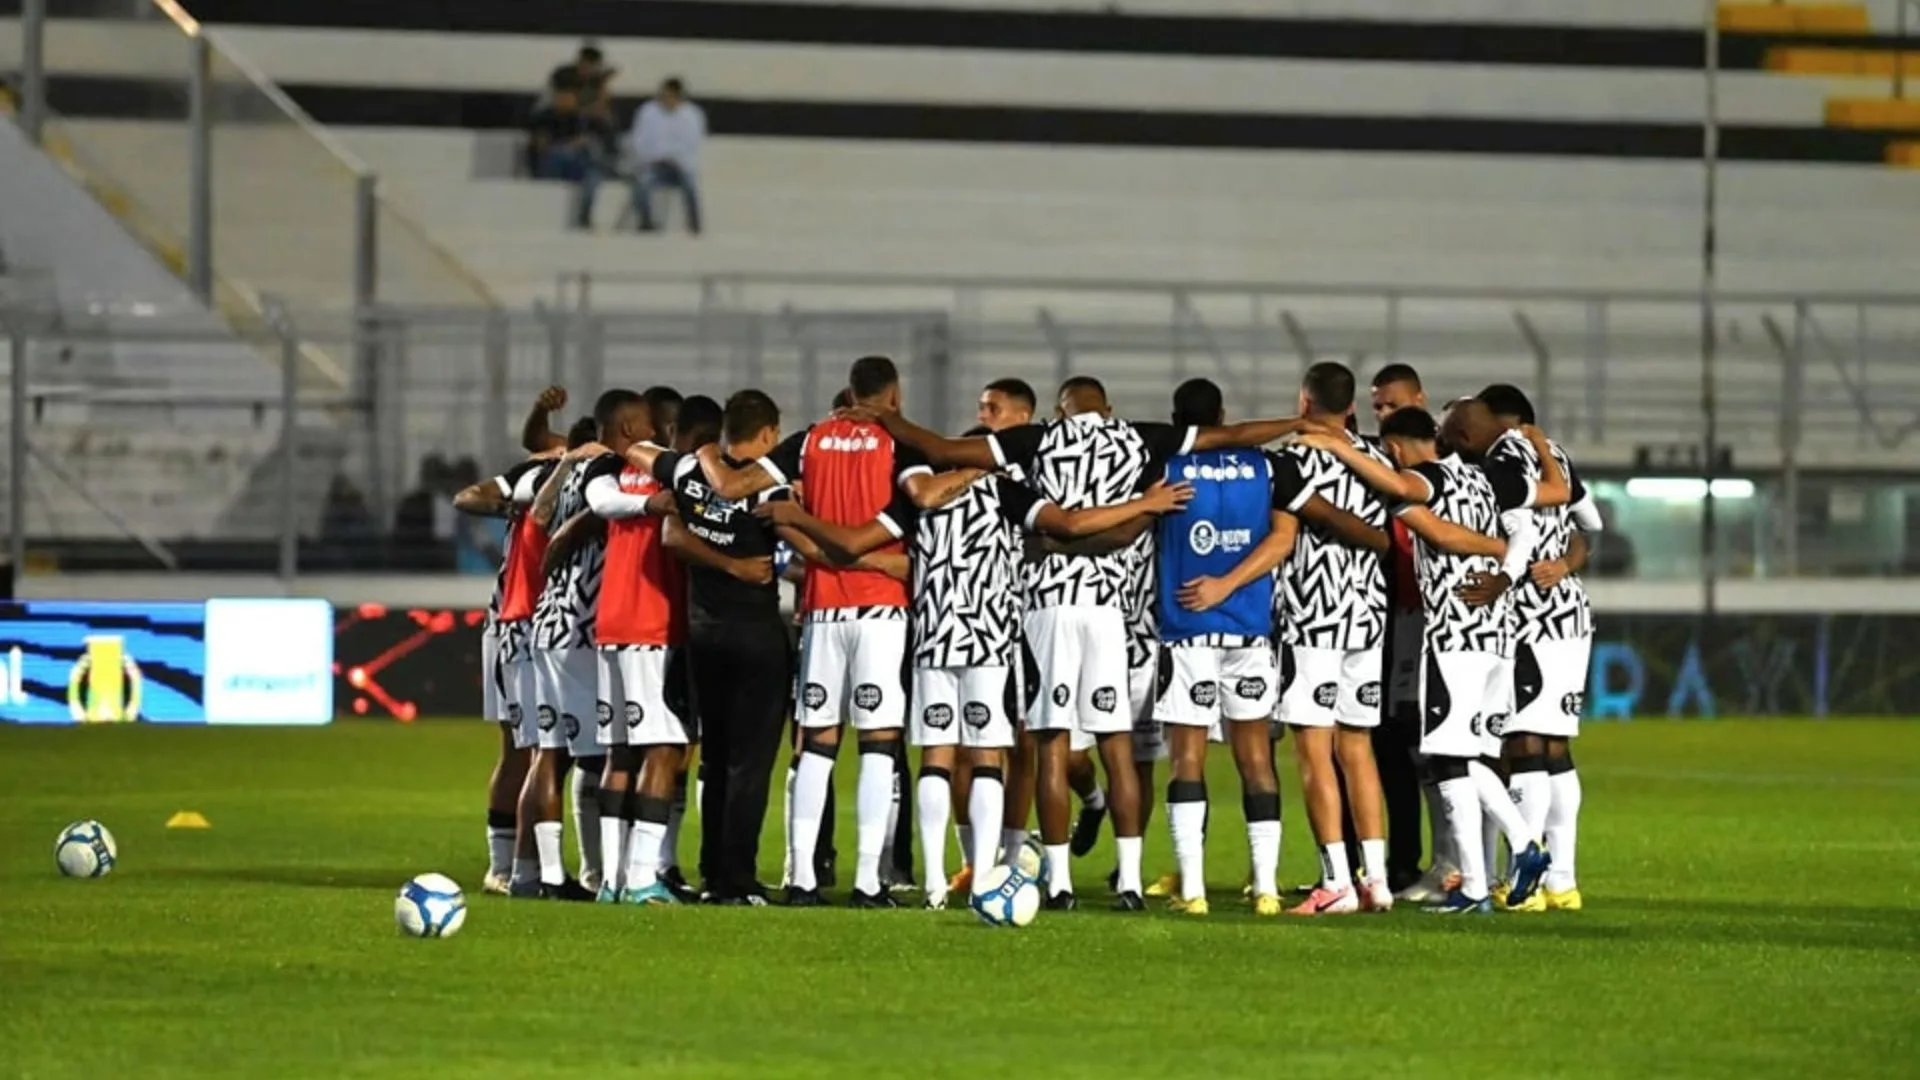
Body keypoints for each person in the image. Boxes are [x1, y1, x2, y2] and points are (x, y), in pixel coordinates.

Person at [861, 377, 1305, 910]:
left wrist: (881, 415)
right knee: (1116, 745)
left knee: (1051, 744)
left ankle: (1062, 883)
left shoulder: (1040, 440)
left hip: (1048, 606)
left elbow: (944, 450)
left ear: (1058, 409)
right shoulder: (1138, 438)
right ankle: (1131, 883)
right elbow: (1226, 434)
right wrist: (1297, 424)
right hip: (1107, 612)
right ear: (1108, 407)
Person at [761, 435, 1193, 909]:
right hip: (990, 637)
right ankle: (986, 877)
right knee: (989, 758)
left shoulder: (920, 491)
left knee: (935, 759)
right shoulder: (1005, 489)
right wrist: (1144, 506)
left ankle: (931, 886)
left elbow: (871, 537)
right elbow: (1067, 526)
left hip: (933, 635)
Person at [693, 356, 945, 908]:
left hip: (822, 610)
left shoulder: (808, 442)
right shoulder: (897, 445)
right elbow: (922, 499)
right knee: (879, 744)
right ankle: (869, 882)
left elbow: (737, 488)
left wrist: (704, 450)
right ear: (894, 397)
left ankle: (802, 879)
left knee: (817, 746)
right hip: (880, 612)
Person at [1298, 402, 1561, 912]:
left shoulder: (1426, 480)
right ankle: (1482, 885)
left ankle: (1519, 852)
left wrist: (1337, 448)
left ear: (1396, 449)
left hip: (1454, 634)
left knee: (1446, 757)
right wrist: (1507, 570)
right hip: (1498, 636)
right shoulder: (1493, 479)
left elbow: (1416, 508)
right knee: (1464, 755)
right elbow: (1545, 508)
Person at [1153, 378, 1388, 916]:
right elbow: (1287, 537)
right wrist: (1384, 545)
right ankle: (1265, 888)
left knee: (1187, 759)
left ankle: (1191, 890)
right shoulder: (1266, 468)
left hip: (1188, 625)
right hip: (1252, 629)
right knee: (1258, 758)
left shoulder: (1164, 464)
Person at [645, 393, 789, 905]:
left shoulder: (687, 472)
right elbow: (793, 553)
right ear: (769, 433)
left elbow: (642, 456)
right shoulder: (770, 483)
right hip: (755, 637)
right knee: (749, 765)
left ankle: (712, 873)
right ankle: (737, 879)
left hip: (704, 636)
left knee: (716, 758)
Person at [1474, 383, 1603, 912]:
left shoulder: (1504, 456)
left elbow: (1522, 525)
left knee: (1521, 744)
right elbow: (1589, 528)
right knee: (1556, 748)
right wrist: (1566, 565)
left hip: (1529, 613)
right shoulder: (1560, 456)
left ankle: (1522, 885)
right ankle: (1563, 883)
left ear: (1501, 422)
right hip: (1571, 612)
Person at [451, 442, 562, 894]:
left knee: (533, 751)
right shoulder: (544, 477)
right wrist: (512, 505)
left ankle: (517, 867)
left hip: (526, 625)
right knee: (530, 750)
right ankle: (510, 867)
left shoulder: (553, 473)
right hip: (521, 625)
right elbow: (466, 497)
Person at [511, 416, 605, 899]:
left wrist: (565, 460)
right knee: (592, 756)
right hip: (580, 630)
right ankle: (596, 873)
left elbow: (539, 515)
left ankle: (541, 875)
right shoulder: (607, 475)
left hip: (546, 621)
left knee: (549, 753)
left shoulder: (559, 477)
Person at [1368, 363, 1440, 898]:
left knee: (1430, 745)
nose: (1382, 415)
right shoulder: (1380, 466)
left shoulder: (1441, 471)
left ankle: (1452, 863)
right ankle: (1400, 862)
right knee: (1390, 744)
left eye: (1391, 405)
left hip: (1433, 621)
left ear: (1420, 400)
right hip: (1391, 620)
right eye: (1377, 407)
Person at [529, 86, 614, 230]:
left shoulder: (588, 121)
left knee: (594, 176)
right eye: (563, 98)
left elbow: (607, 144)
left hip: (580, 165)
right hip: (553, 163)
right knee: (561, 154)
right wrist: (570, 145)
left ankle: (584, 215)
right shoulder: (546, 117)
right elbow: (541, 146)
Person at [630, 77, 706, 235]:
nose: (666, 99)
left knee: (690, 186)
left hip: (680, 165)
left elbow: (692, 143)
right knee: (642, 184)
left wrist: (674, 158)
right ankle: (646, 222)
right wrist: (655, 157)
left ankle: (694, 225)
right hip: (654, 164)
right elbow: (639, 140)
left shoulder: (692, 115)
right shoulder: (647, 112)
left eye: (670, 95)